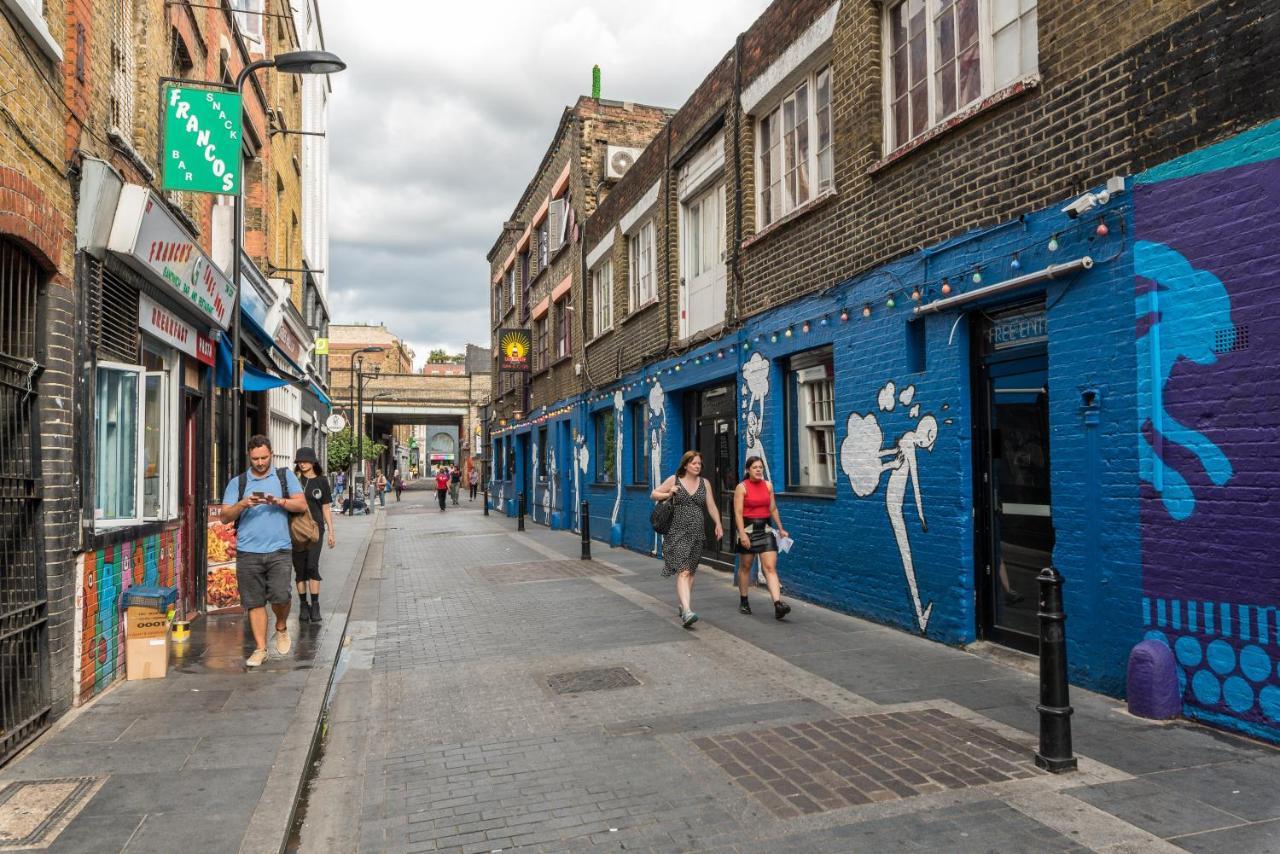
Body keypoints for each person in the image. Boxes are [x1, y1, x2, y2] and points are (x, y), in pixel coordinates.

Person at [219, 435, 306, 667]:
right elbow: (224, 516)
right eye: (255, 458)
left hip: (279, 548)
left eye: (264, 457)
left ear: (271, 454)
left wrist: (278, 501)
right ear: (249, 456)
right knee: (254, 602)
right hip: (248, 551)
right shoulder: (237, 483)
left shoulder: (284, 476)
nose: (260, 462)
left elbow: (301, 504)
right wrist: (242, 504)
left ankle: (281, 625)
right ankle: (260, 649)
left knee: (281, 595)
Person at [651, 451, 723, 628]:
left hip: (697, 532)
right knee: (683, 571)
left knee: (690, 572)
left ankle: (684, 604)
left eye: (699, 464)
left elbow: (711, 505)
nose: (697, 466)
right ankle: (688, 611)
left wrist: (718, 523)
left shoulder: (704, 483)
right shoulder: (674, 480)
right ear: (685, 465)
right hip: (677, 531)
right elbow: (654, 494)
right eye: (694, 463)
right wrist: (669, 493)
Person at [733, 456, 791, 620]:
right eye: (755, 467)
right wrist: (742, 533)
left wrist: (780, 529)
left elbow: (772, 508)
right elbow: (737, 512)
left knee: (770, 567)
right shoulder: (741, 487)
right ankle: (744, 601)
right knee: (746, 566)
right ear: (748, 470)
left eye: (760, 467)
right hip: (748, 530)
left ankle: (778, 604)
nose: (758, 470)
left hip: (765, 530)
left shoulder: (768, 486)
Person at [293, 447, 335, 624]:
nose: (302, 464)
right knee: (299, 569)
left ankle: (315, 605)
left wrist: (331, 531)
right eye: (299, 461)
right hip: (296, 529)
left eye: (305, 461)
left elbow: (325, 507)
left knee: (312, 566)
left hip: (316, 529)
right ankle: (304, 606)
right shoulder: (294, 480)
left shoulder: (322, 481)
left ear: (313, 462)